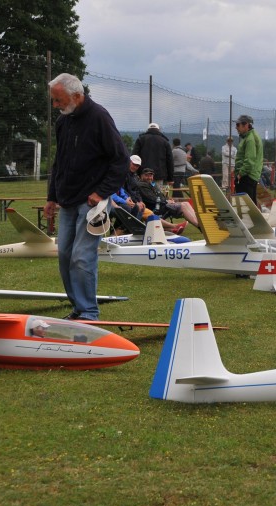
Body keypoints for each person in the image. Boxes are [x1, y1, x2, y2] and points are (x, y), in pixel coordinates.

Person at [45, 73, 128, 321]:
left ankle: (89, 313)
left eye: (59, 100)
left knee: (82, 256)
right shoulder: (63, 121)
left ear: (77, 96)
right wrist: (51, 197)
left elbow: (120, 160)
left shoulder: (99, 117)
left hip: (93, 203)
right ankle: (78, 309)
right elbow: (59, 162)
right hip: (67, 200)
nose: (55, 105)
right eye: (54, 100)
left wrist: (101, 192)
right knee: (64, 256)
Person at [134, 168, 199, 228]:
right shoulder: (142, 185)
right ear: (141, 176)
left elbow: (159, 196)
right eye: (146, 175)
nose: (149, 178)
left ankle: (199, 223)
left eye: (151, 176)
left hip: (162, 205)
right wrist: (166, 201)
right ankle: (198, 225)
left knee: (186, 203)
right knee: (183, 206)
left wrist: (168, 199)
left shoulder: (152, 184)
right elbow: (151, 199)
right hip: (157, 208)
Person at [233, 114, 264, 203]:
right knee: (250, 205)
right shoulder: (251, 136)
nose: (236, 127)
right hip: (251, 176)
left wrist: (240, 174)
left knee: (245, 206)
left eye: (238, 125)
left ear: (246, 125)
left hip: (246, 177)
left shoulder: (250, 139)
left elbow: (249, 161)